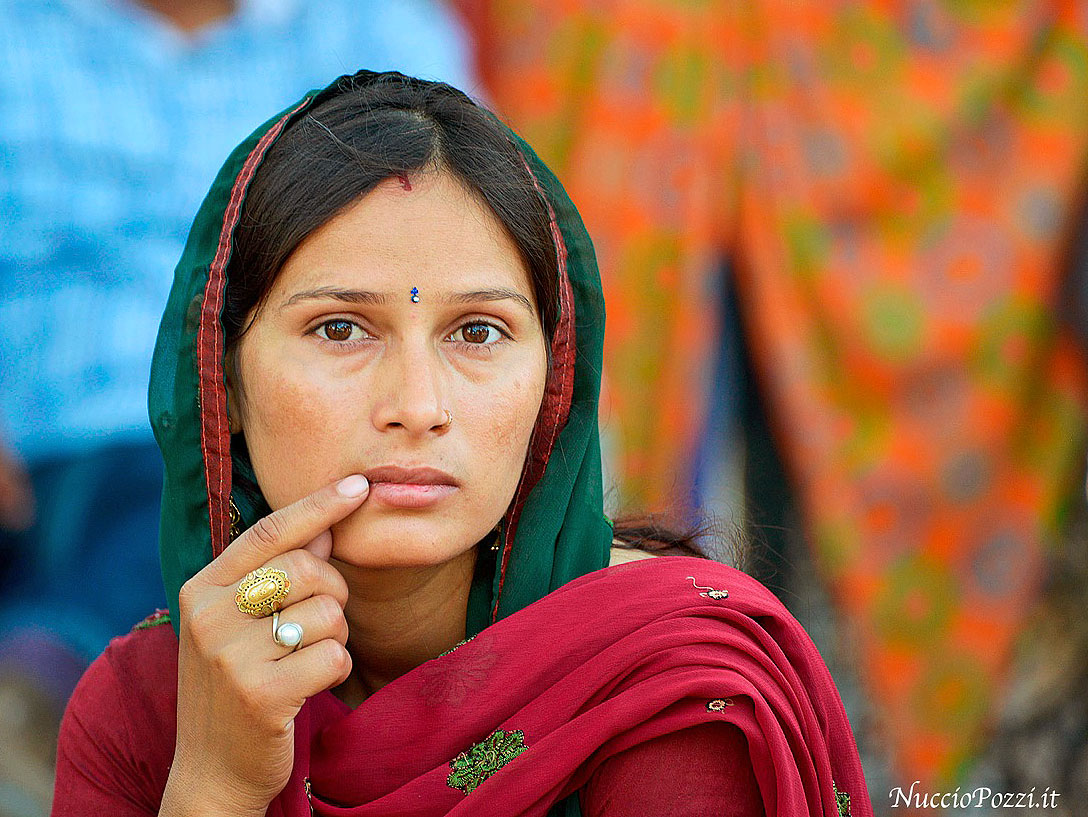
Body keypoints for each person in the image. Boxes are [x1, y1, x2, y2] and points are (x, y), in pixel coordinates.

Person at [51, 71, 872, 817]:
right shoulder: (149, 707)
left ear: (553, 386)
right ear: (220, 381)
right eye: (341, 328)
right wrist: (214, 783)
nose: (418, 405)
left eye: (477, 331)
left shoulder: (669, 692)